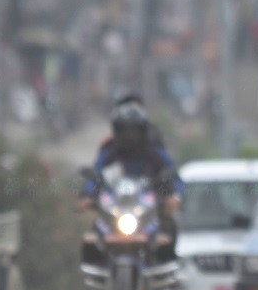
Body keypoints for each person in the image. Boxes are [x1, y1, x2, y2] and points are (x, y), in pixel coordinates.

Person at [79, 103, 184, 260]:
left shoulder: (154, 149)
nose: (129, 136)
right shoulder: (110, 150)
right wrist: (88, 194)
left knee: (169, 226)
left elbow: (172, 173)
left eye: (133, 130)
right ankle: (96, 265)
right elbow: (97, 173)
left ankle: (168, 265)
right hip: (117, 207)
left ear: (141, 130)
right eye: (124, 130)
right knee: (94, 232)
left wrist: (175, 196)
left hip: (148, 205)